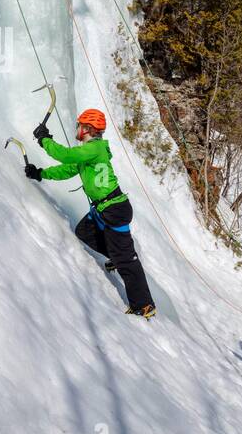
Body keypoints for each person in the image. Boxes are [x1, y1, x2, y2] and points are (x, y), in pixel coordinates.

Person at [25, 108, 156, 318]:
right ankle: (116, 255)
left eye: (79, 125)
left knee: (127, 260)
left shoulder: (94, 148)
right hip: (104, 208)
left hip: (114, 209)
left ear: (87, 128)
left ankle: (144, 305)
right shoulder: (88, 153)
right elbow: (66, 169)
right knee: (84, 232)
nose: (76, 128)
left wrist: (45, 139)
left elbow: (66, 155)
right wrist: (41, 173)